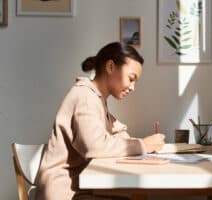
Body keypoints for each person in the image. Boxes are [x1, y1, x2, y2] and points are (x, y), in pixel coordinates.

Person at [34, 42, 165, 200]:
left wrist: (134, 140)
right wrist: (143, 144)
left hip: (79, 189)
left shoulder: (96, 99)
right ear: (110, 67)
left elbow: (119, 134)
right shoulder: (85, 97)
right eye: (131, 79)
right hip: (64, 193)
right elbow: (95, 147)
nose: (133, 87)